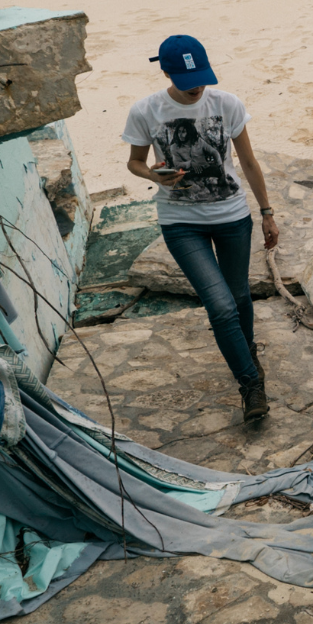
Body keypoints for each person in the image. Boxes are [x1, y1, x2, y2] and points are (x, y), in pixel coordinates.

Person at [121, 34, 280, 421]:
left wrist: (267, 211)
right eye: (187, 81)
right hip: (180, 222)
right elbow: (135, 163)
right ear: (165, 72)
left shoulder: (227, 104)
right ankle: (250, 385)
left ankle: (247, 352)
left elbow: (248, 161)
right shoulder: (145, 111)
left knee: (240, 296)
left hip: (232, 217)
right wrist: (155, 176)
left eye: (202, 79)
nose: (197, 88)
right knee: (221, 305)